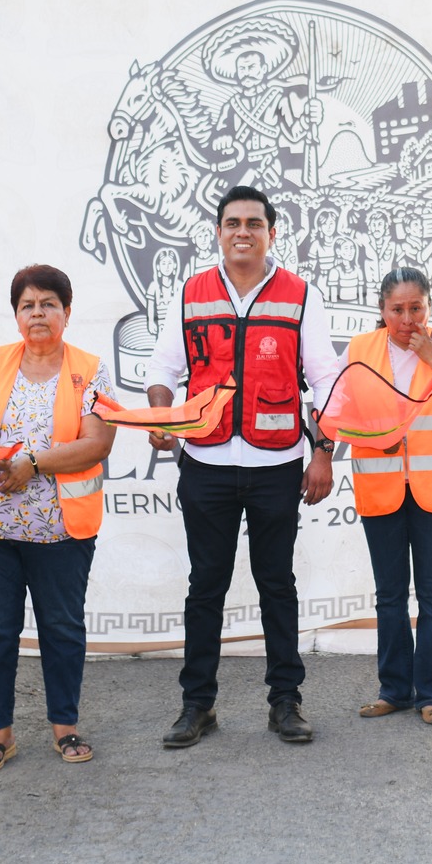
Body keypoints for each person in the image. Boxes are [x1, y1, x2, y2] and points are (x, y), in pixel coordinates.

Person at [146, 185, 341, 749]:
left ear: (271, 233)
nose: (242, 233)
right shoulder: (192, 292)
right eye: (232, 223)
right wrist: (161, 413)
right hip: (205, 461)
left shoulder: (301, 295)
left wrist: (324, 451)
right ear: (217, 231)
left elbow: (326, 378)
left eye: (254, 224)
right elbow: (163, 366)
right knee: (205, 586)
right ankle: (197, 706)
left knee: (276, 583)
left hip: (277, 461)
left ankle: (286, 703)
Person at [0, 264, 117, 771]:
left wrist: (32, 463)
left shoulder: (89, 369)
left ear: (67, 312)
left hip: (61, 529)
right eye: (28, 305)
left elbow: (97, 442)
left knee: (61, 628)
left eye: (48, 303)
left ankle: (65, 727)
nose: (38, 313)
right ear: (16, 314)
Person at [346, 269, 432, 725]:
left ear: (429, 306)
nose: (407, 319)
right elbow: (339, 414)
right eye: (397, 310)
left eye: (416, 308)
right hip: (380, 487)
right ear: (381, 312)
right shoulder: (360, 350)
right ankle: (394, 690)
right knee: (389, 596)